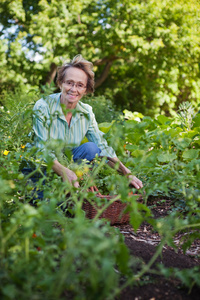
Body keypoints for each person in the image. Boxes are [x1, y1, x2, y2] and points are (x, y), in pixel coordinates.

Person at [32, 54, 143, 191]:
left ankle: (76, 187)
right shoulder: (43, 107)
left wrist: (127, 173)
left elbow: (102, 146)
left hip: (69, 166)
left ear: (86, 90)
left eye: (80, 85)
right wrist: (66, 172)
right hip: (40, 170)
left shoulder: (86, 112)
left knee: (91, 148)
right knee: (50, 205)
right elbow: (41, 150)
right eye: (69, 83)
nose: (73, 89)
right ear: (61, 83)